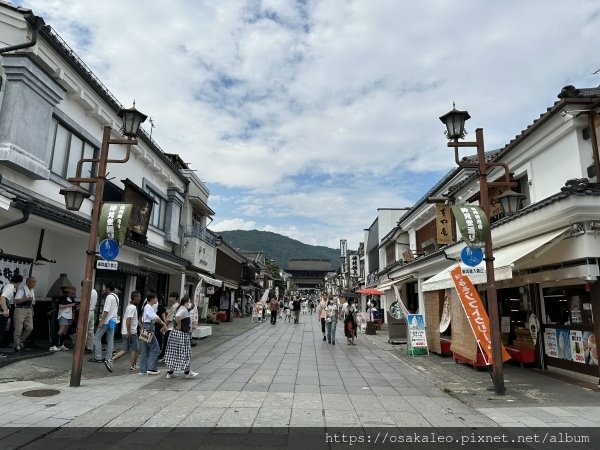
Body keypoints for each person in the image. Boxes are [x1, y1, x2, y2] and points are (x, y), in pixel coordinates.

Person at [105, 291, 141, 373]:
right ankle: (133, 366)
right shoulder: (132, 308)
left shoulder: (129, 307)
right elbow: (129, 319)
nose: (140, 298)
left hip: (125, 331)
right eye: (139, 297)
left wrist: (140, 325)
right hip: (131, 332)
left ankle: (111, 360)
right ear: (135, 298)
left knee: (125, 349)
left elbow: (132, 319)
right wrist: (129, 331)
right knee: (134, 349)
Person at [164, 296, 198, 379]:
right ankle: (187, 372)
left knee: (174, 353)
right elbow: (177, 317)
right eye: (189, 301)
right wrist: (179, 325)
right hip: (182, 334)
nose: (190, 303)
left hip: (176, 334)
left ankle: (170, 372)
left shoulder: (181, 308)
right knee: (185, 353)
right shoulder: (183, 310)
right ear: (185, 302)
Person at [138, 292, 167, 375]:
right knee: (155, 348)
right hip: (148, 328)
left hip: (145, 328)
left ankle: (143, 369)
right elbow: (154, 317)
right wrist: (163, 323)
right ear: (152, 299)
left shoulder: (146, 307)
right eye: (156, 298)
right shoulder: (148, 307)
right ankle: (152, 368)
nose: (157, 300)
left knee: (145, 350)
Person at [90, 282, 119, 363]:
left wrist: (101, 321)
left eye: (105, 287)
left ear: (108, 288)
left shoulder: (109, 297)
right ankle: (108, 357)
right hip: (113, 320)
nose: (104, 289)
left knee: (97, 337)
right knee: (110, 339)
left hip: (106, 321)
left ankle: (98, 357)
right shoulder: (116, 296)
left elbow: (106, 310)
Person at [13, 276, 35, 352]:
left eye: (35, 282)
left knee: (30, 328)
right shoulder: (22, 290)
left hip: (28, 309)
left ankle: (20, 341)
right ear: (28, 282)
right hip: (20, 309)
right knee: (18, 328)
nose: (35, 284)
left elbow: (31, 302)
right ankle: (17, 345)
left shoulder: (31, 290)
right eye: (33, 282)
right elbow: (16, 301)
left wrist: (32, 310)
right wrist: (25, 298)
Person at [0, 274, 23, 349]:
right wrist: (5, 310)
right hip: (2, 312)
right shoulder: (11, 286)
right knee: (1, 331)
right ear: (19, 282)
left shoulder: (6, 285)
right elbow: (2, 297)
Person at [51, 285, 76, 351]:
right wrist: (70, 305)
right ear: (69, 292)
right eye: (72, 293)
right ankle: (53, 345)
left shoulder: (71, 299)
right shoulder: (63, 297)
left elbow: (74, 307)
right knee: (61, 330)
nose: (73, 294)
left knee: (65, 331)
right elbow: (60, 306)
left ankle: (61, 345)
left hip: (69, 316)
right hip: (63, 315)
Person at [158, 292, 179, 362]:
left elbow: (170, 319)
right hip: (171, 327)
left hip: (170, 327)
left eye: (171, 297)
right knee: (168, 343)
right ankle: (165, 356)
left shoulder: (175, 306)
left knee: (167, 342)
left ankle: (164, 356)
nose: (169, 298)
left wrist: (164, 326)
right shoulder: (175, 306)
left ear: (174, 298)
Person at [82, 281, 98, 354]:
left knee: (84, 329)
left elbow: (86, 302)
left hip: (87, 311)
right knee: (91, 330)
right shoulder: (95, 291)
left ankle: (82, 347)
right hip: (92, 311)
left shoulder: (87, 292)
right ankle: (90, 347)